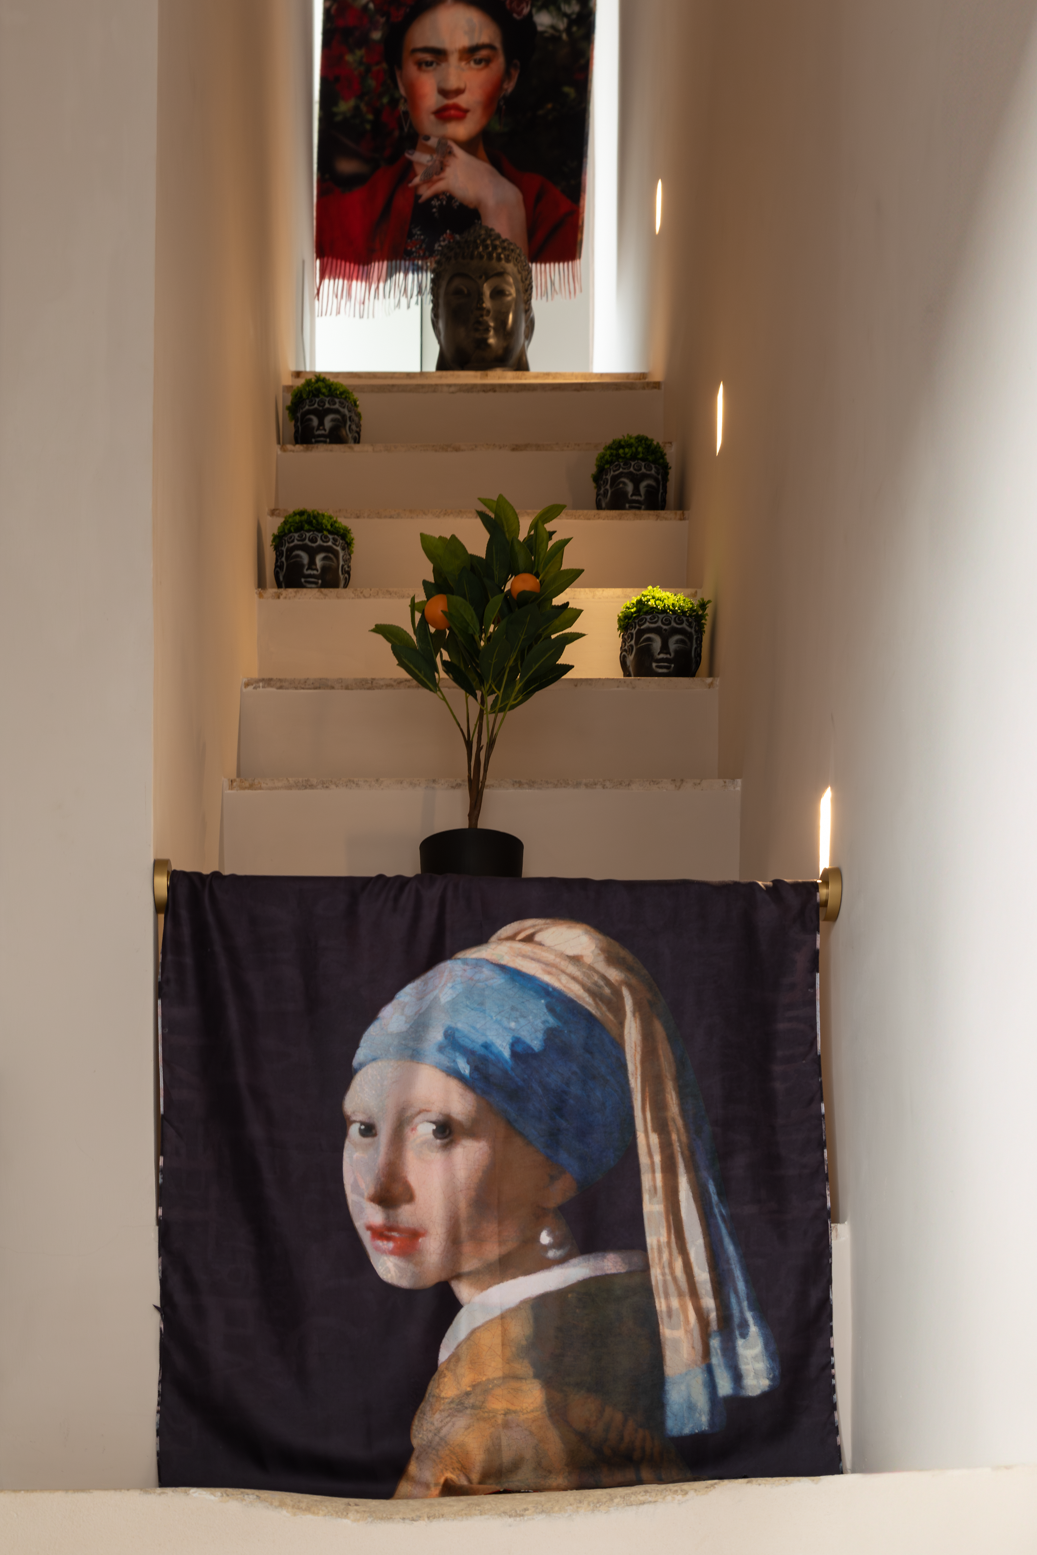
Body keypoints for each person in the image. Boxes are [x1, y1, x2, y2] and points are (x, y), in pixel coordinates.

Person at [341, 919, 780, 1497]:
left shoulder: (506, 1410)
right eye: (364, 1128)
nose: (378, 1186)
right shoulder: (622, 1318)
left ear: (556, 1171)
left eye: (437, 1131)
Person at [317, 0, 581, 303]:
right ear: (401, 78)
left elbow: (522, 326)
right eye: (429, 62)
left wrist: (501, 204)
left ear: (509, 77)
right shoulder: (341, 224)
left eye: (477, 60)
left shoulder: (551, 218)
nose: (451, 84)